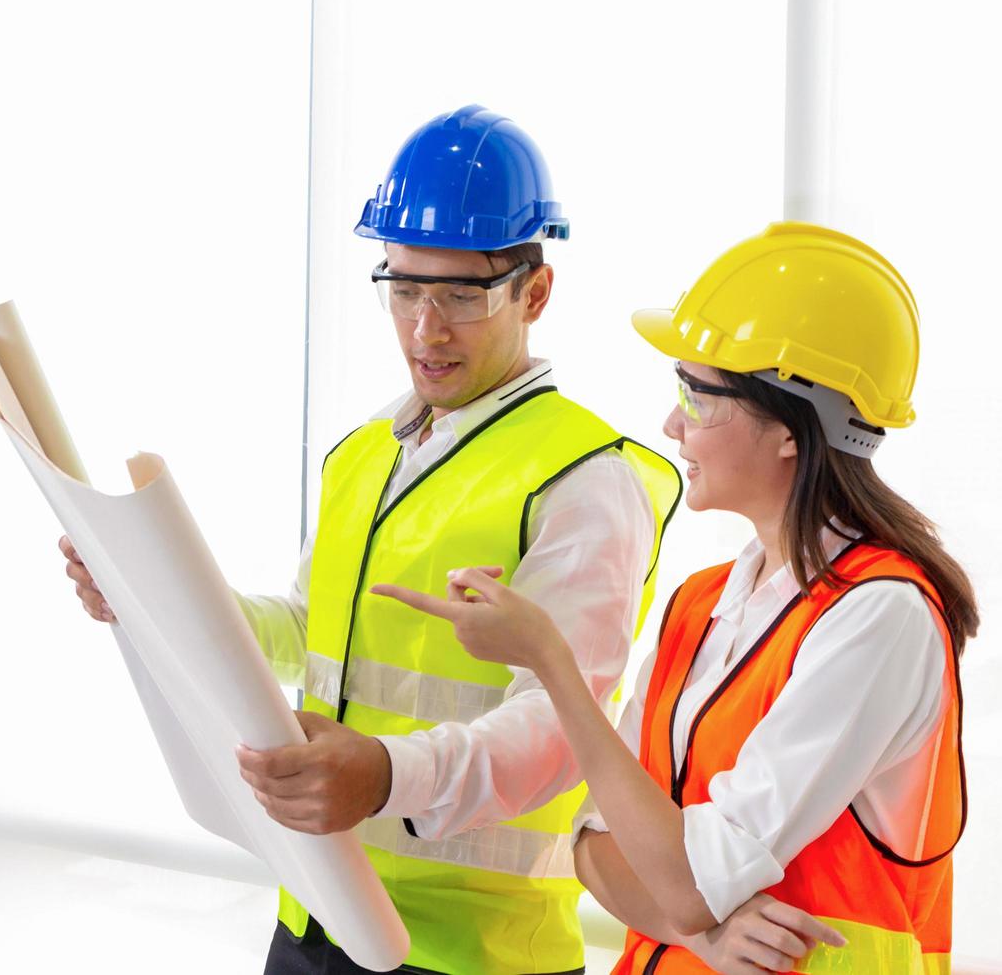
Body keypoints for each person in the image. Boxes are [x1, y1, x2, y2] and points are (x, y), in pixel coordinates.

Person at [65, 104, 688, 973]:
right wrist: (146, 601)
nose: (425, 328)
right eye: (403, 289)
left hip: (475, 953)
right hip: (318, 911)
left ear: (535, 293)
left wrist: (390, 775)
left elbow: (561, 724)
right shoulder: (366, 455)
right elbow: (300, 627)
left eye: (460, 295)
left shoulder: (586, 478)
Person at [375, 222, 976, 973]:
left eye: (697, 397)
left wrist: (551, 663)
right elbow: (592, 843)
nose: (670, 424)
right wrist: (700, 932)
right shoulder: (704, 604)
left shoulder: (881, 615)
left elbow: (686, 882)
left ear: (792, 428)